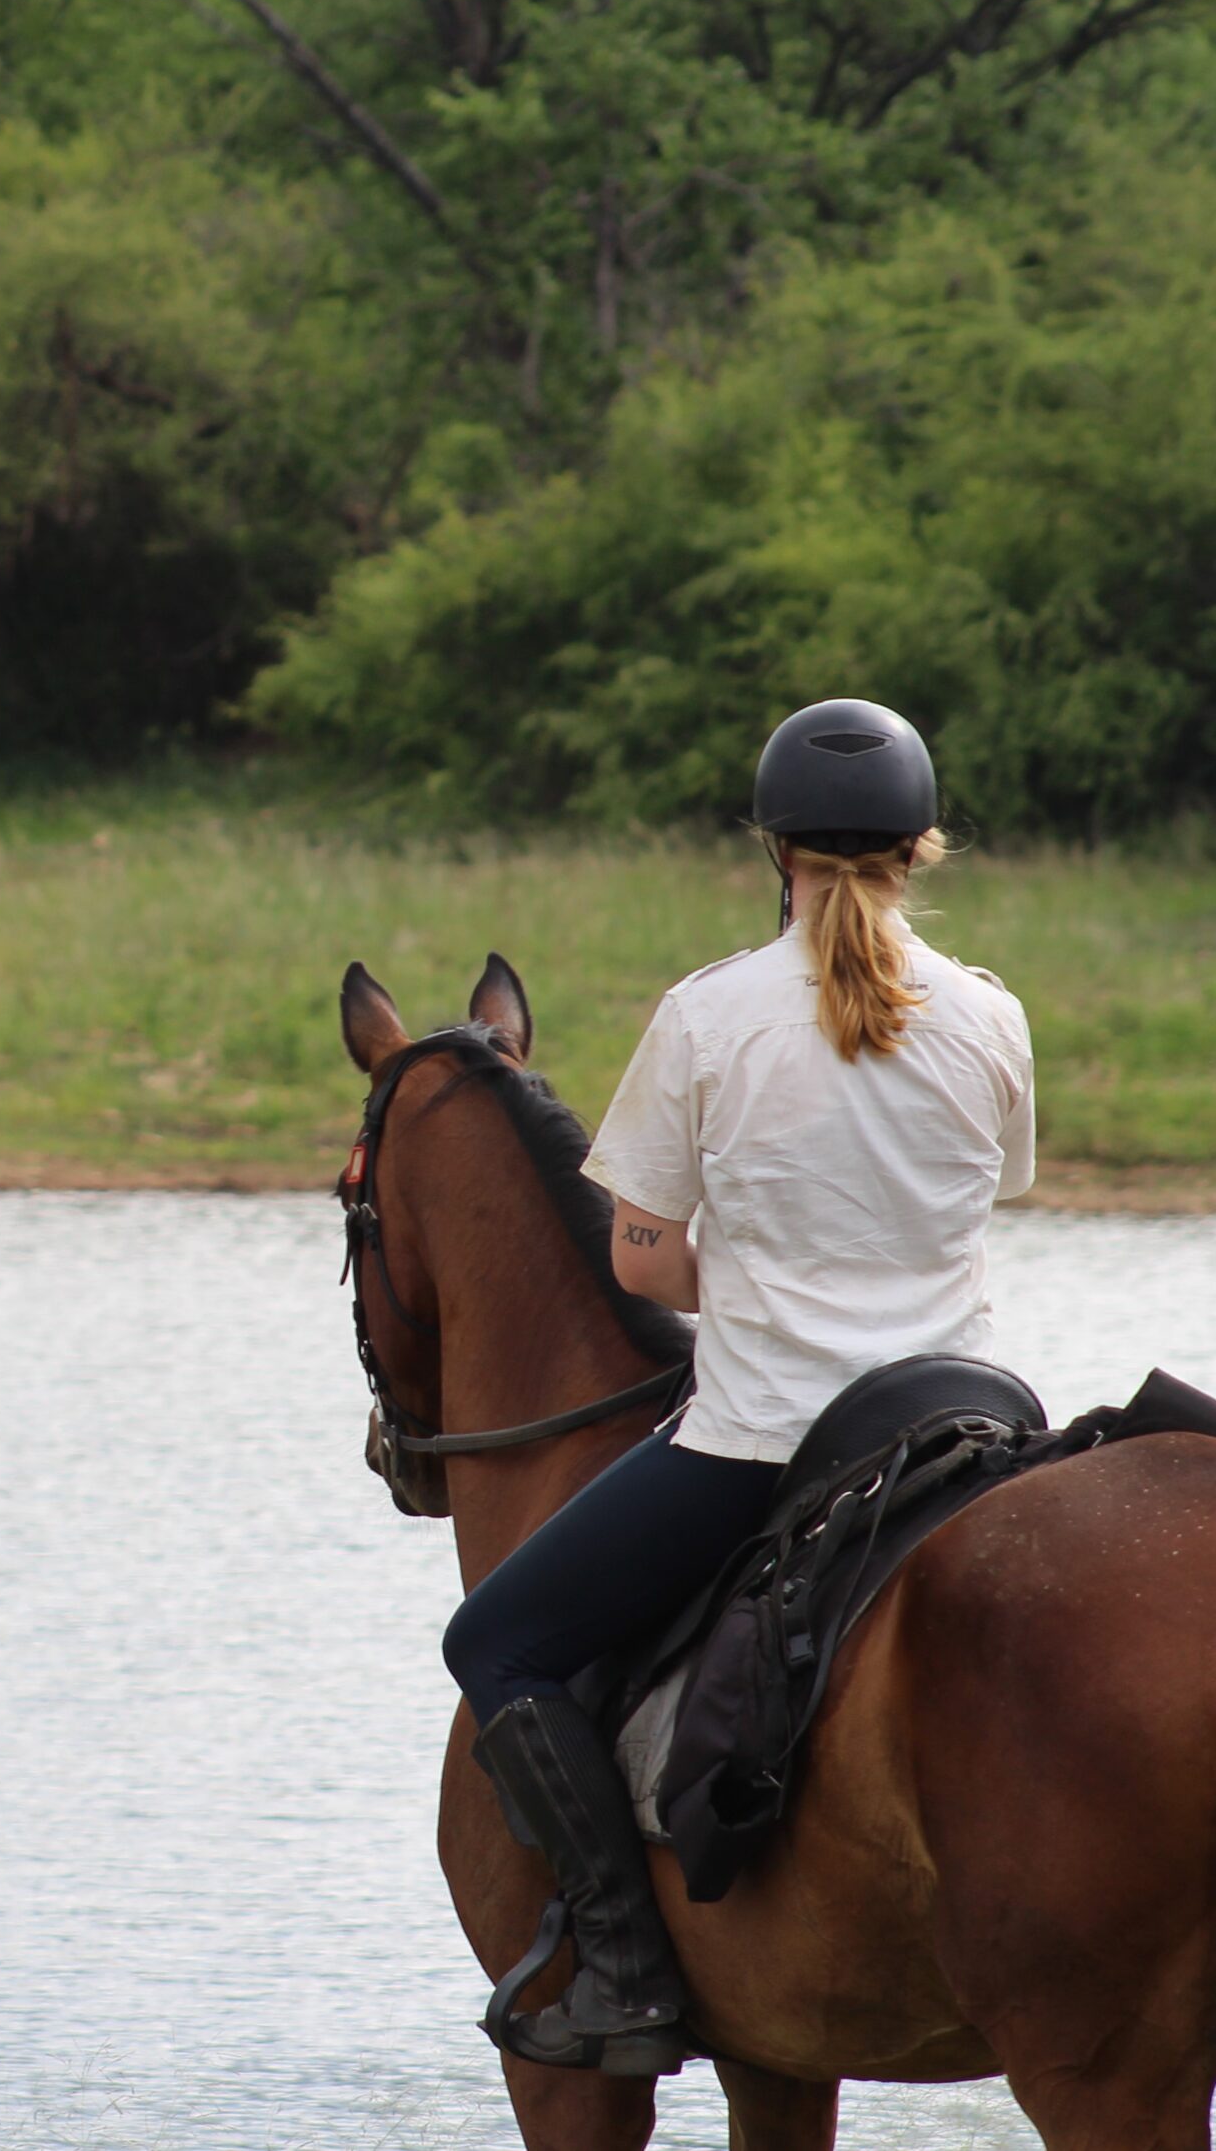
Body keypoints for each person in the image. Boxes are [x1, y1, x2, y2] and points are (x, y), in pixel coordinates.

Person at [439, 698, 1036, 2074]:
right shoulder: (992, 1017)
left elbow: (642, 1260)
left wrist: (763, 1267)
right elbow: (982, 1197)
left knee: (500, 1645)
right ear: (919, 848)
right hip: (970, 1428)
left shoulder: (709, 1016)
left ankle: (627, 1969)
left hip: (769, 1442)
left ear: (777, 851)